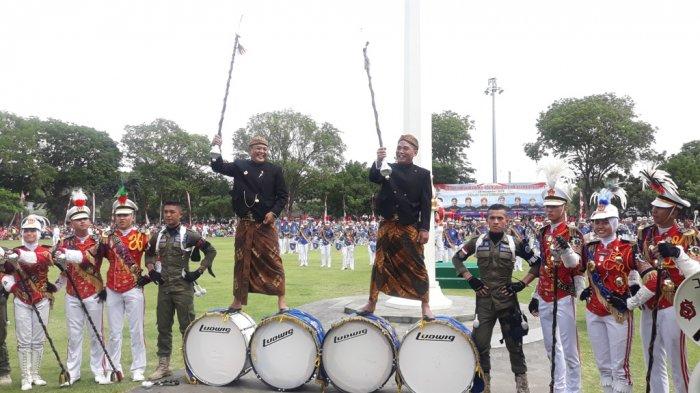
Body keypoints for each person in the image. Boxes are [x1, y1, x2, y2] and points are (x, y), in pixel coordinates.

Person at [622, 167, 699, 393]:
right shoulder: (644, 233)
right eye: (654, 206)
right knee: (651, 360)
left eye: (661, 208)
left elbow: (696, 273)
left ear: (673, 212)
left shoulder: (688, 236)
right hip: (648, 304)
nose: (654, 210)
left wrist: (677, 254)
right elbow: (637, 261)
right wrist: (635, 284)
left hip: (674, 303)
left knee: (677, 362)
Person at [452, 204, 540, 393]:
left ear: (506, 220)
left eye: (500, 218)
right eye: (492, 218)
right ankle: (485, 386)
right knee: (480, 345)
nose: (496, 221)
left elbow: (537, 265)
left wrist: (521, 284)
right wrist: (471, 279)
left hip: (508, 302)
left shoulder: (516, 243)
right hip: (484, 302)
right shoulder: (476, 241)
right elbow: (456, 259)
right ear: (486, 220)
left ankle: (522, 387)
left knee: (515, 345)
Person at [580, 186, 650, 393]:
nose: (600, 226)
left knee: (620, 368)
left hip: (618, 313)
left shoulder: (628, 248)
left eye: (604, 222)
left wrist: (632, 301)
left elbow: (652, 278)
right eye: (596, 222)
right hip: (593, 310)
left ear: (614, 223)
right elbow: (576, 268)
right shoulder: (590, 247)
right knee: (603, 366)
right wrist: (584, 287)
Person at [358, 134, 434, 320]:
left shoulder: (423, 174)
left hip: (409, 226)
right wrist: (378, 160)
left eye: (405, 148)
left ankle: (425, 305)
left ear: (414, 152)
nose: (401, 151)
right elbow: (374, 177)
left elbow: (426, 204)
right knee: (380, 264)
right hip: (387, 224)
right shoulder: (387, 168)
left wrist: (424, 229)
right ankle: (371, 303)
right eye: (399, 148)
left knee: (417, 265)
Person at [210, 134, 288, 314]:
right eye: (257, 148)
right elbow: (217, 166)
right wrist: (215, 148)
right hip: (245, 224)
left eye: (264, 148)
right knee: (241, 262)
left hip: (265, 224)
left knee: (274, 261)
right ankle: (237, 302)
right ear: (250, 150)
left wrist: (274, 212)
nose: (261, 151)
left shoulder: (275, 170)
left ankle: (282, 302)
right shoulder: (240, 166)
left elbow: (283, 196)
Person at [528, 166, 585, 393]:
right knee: (551, 347)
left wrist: (567, 251)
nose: (550, 210)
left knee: (569, 349)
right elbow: (543, 264)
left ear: (565, 207)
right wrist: (534, 294)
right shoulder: (543, 233)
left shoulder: (573, 233)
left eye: (554, 206)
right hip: (544, 294)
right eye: (547, 206)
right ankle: (558, 387)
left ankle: (574, 389)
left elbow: (576, 266)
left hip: (563, 294)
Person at [145, 201, 216, 380]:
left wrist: (198, 272)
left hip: (183, 288)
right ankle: (163, 366)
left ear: (180, 214)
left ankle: (191, 365)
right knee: (163, 327)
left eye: (172, 212)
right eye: (165, 212)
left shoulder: (190, 235)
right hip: (163, 288)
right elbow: (149, 253)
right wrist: (152, 270)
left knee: (187, 327)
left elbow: (211, 251)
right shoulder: (157, 236)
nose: (168, 215)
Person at [54, 190, 110, 385]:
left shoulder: (99, 241)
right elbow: (62, 269)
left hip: (94, 291)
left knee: (97, 333)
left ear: (90, 221)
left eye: (85, 218)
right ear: (71, 223)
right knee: (74, 334)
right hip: (72, 293)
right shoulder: (64, 243)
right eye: (77, 219)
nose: (82, 222)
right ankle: (73, 372)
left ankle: (99, 371)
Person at [0, 215, 55, 390]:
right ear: (22, 233)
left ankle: (36, 374)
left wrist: (15, 255)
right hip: (22, 300)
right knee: (24, 341)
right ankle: (25, 376)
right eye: (26, 231)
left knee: (38, 340)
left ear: (39, 233)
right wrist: (11, 285)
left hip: (41, 299)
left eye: (33, 230)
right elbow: (3, 272)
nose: (29, 233)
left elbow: (35, 259)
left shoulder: (46, 250)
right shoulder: (15, 251)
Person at [102, 189, 150, 382]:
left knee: (136, 331)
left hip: (134, 287)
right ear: (114, 217)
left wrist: (151, 272)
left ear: (133, 216)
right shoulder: (106, 238)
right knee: (114, 332)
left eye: (125, 215)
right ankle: (114, 368)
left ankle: (138, 368)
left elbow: (154, 257)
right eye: (119, 215)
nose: (122, 218)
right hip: (112, 288)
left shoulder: (143, 237)